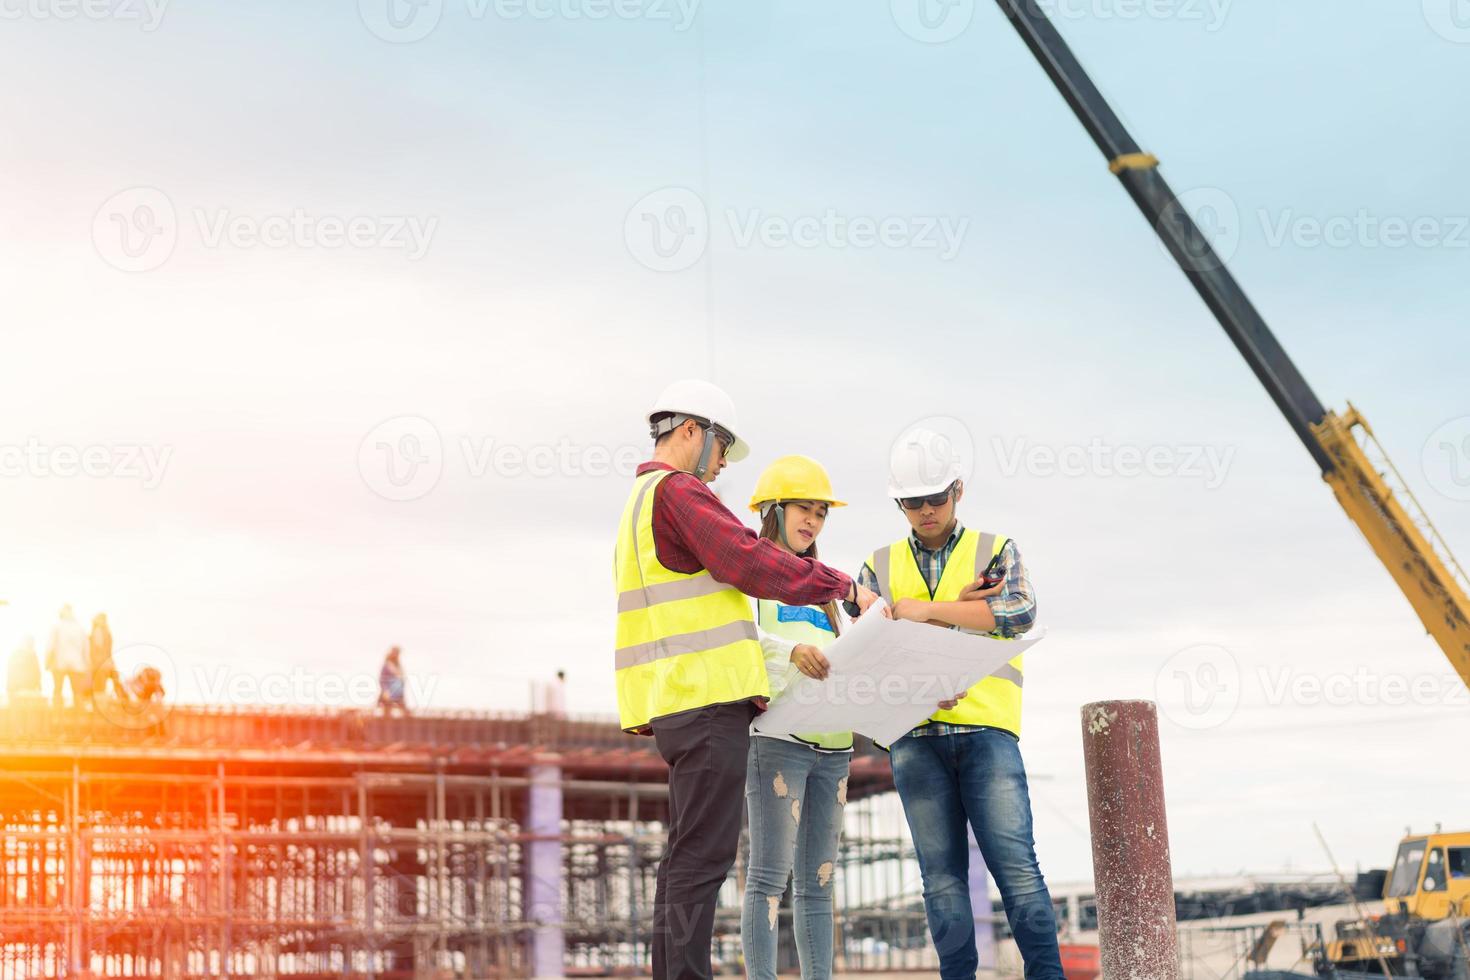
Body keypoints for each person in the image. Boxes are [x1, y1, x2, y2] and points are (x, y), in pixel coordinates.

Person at [613, 380, 879, 980]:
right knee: (702, 861)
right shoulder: (679, 492)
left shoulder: (638, 500)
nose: (724, 461)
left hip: (674, 699)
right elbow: (745, 559)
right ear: (690, 431)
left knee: (685, 860)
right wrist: (841, 585)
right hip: (706, 699)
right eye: (721, 444)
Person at [847, 427, 1063, 980]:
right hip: (914, 738)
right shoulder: (876, 566)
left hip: (986, 732)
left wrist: (927, 611)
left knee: (1016, 870)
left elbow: (1018, 614)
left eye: (933, 499)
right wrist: (942, 612)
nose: (923, 511)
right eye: (910, 501)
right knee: (940, 881)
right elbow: (865, 651)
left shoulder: (995, 552)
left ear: (958, 491)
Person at [740, 456, 855, 980]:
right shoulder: (749, 580)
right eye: (802, 509)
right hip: (778, 741)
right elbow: (742, 644)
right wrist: (790, 652)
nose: (812, 521)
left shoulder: (831, 593)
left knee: (819, 883)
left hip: (835, 745)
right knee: (767, 879)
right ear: (773, 510)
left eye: (820, 513)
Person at [46, 605, 91, 708]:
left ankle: (57, 713)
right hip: (77, 664)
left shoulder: (57, 626)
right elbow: (86, 648)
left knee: (58, 689)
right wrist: (87, 663)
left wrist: (47, 662)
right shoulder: (80, 628)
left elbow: (50, 646)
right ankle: (79, 715)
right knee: (77, 691)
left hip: (59, 663)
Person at [88, 612, 124, 701]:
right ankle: (122, 702)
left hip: (100, 663)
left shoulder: (98, 631)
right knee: (113, 684)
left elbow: (98, 647)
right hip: (108, 662)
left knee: (99, 687)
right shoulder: (107, 632)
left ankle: (101, 707)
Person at [7, 636, 43, 702]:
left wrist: (9, 688)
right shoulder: (32, 655)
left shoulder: (15, 655)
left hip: (22, 691)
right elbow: (37, 673)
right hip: (27, 690)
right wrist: (39, 687)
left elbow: (10, 674)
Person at [378, 646, 409, 715]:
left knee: (404, 711)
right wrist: (385, 690)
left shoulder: (397, 665)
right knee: (387, 711)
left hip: (397, 691)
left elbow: (401, 678)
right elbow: (382, 679)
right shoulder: (387, 665)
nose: (397, 655)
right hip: (388, 692)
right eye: (396, 653)